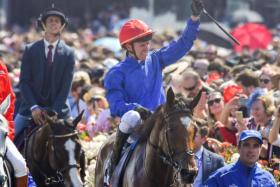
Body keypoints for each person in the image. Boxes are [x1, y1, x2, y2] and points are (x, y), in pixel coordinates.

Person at [103, 0, 204, 184]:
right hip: (136, 125)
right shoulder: (116, 73)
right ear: (127, 46)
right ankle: (113, 165)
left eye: (147, 43)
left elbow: (182, 44)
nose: (146, 47)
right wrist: (138, 108)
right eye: (141, 44)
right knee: (132, 116)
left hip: (160, 123)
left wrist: (194, 19)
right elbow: (116, 106)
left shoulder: (156, 59)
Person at [14, 6, 75, 138]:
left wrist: (53, 112)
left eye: (57, 21)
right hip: (30, 109)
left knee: (75, 144)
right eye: (50, 20)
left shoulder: (69, 53)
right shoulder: (30, 49)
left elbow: (66, 86)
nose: (54, 23)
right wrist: (34, 107)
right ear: (43, 25)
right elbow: (24, 82)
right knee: (7, 139)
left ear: (62, 26)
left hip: (59, 110)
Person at [206, 130, 277, 187]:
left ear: (260, 149)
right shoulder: (221, 176)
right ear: (239, 148)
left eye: (255, 146)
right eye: (246, 145)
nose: (251, 150)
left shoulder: (268, 179)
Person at [0, 62, 28, 187]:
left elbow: (9, 103)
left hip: (0, 132)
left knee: (21, 165)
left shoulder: (2, 68)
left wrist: (7, 132)